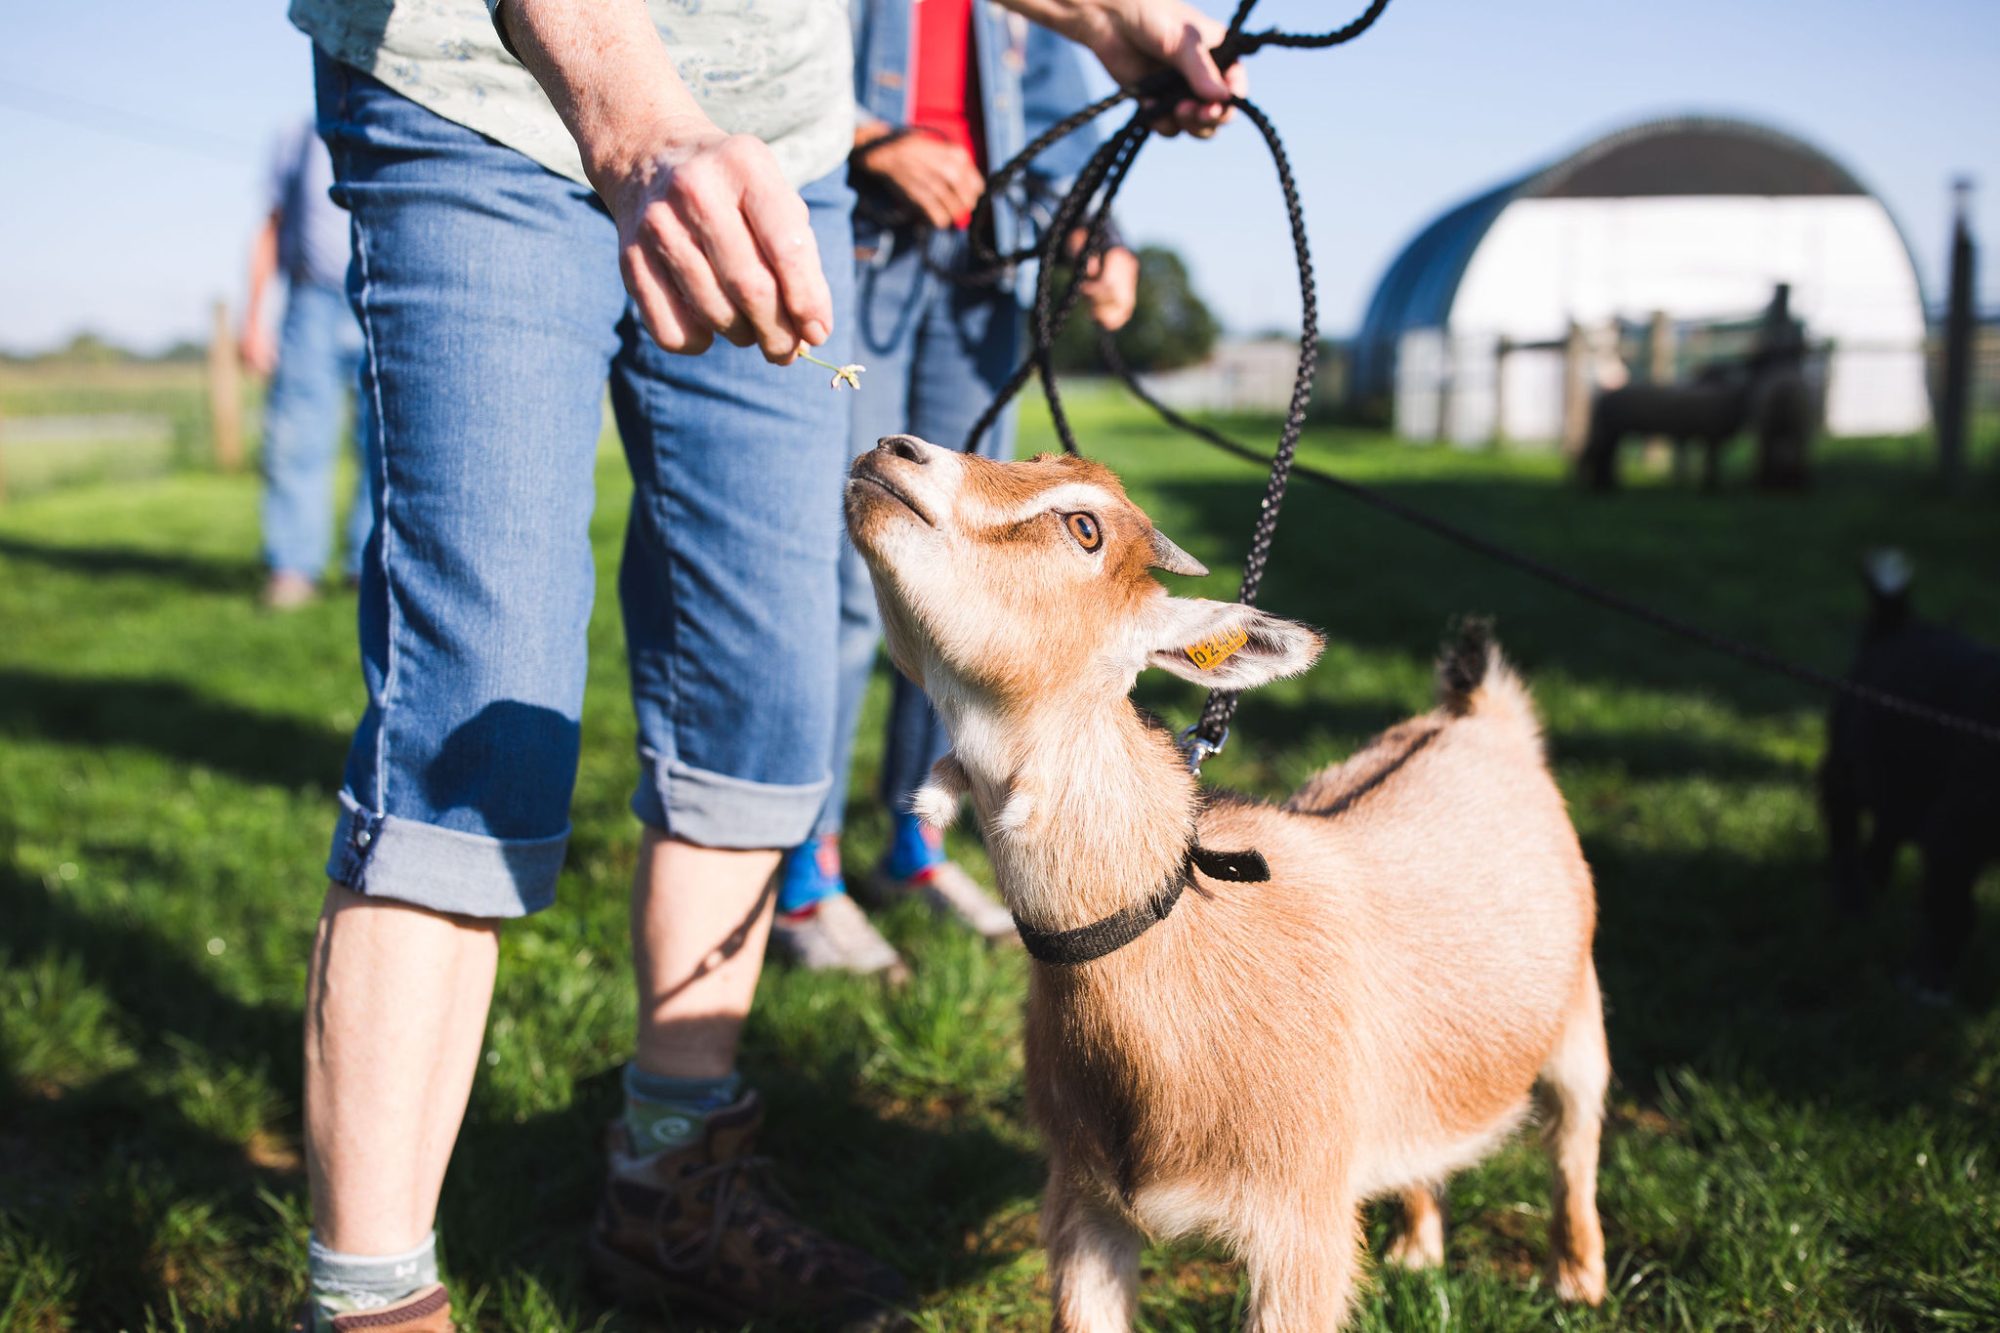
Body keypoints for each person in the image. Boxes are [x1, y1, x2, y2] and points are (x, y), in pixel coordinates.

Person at [282, 0, 1242, 1327]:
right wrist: (634, 113)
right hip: (484, 105)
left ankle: (668, 1188)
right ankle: (373, 1293)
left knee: (762, 691)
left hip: (775, 154)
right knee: (480, 713)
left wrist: (1115, 20)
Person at [771, 0, 1141, 975]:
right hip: (857, 248)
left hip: (981, 273)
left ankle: (912, 844)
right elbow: (755, 45)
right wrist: (870, 139)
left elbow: (1055, 97)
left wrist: (1090, 226)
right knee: (857, 579)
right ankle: (802, 872)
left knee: (960, 582)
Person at [240, 119, 376, 609]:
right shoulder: (297, 137)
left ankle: (370, 566)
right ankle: (294, 567)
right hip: (310, 300)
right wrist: (253, 319)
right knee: (295, 438)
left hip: (381, 292)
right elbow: (272, 225)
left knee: (383, 439)